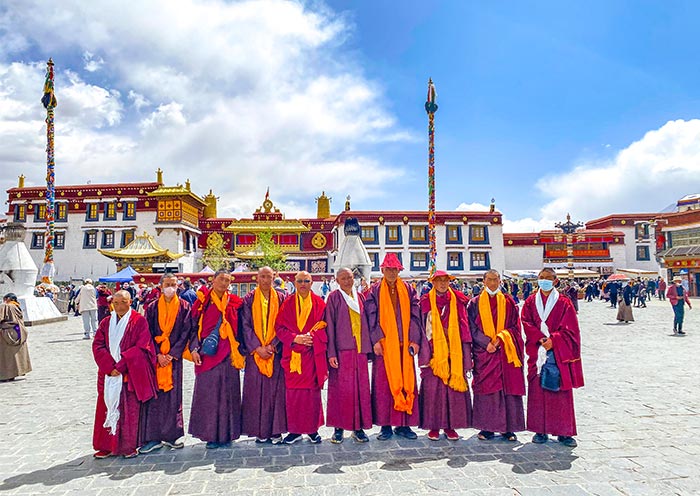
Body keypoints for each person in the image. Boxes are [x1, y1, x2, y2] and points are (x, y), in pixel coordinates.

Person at [521, 268, 584, 448]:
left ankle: (564, 432)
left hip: (557, 353)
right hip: (537, 353)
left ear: (555, 281)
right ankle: (539, 430)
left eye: (548, 278)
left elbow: (571, 329)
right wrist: (541, 339)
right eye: (541, 278)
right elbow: (525, 322)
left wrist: (554, 340)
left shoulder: (564, 303)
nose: (544, 281)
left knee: (560, 392)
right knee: (537, 391)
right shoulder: (531, 302)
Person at [92, 291, 157, 459]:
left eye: (124, 302)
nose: (120, 306)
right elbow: (98, 345)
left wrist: (121, 365)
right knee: (105, 407)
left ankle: (128, 446)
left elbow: (142, 347)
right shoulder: (106, 322)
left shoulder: (138, 321)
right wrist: (109, 366)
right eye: (116, 302)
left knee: (129, 411)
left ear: (130, 302)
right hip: (109, 375)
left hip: (129, 373)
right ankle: (105, 445)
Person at [364, 253, 422, 441]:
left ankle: (404, 425)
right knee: (383, 387)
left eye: (394, 269)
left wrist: (414, 339)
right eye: (388, 269)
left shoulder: (408, 289)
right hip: (384, 346)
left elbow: (415, 315)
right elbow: (370, 317)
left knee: (407, 383)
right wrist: (376, 340)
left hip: (404, 345)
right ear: (382, 270)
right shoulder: (374, 291)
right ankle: (385, 426)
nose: (391, 272)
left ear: (399, 270)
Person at [188, 269, 246, 449]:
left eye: (228, 280)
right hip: (208, 355)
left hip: (229, 354)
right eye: (221, 279)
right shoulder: (202, 302)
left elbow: (241, 329)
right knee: (209, 395)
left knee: (229, 394)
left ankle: (228, 434)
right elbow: (192, 327)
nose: (224, 283)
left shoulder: (235, 303)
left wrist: (242, 351)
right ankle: (210, 434)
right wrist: (193, 348)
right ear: (213, 280)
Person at [467, 269, 525, 442]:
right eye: (489, 280)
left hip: (504, 352)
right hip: (484, 354)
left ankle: (508, 428)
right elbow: (471, 328)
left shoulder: (508, 302)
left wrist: (500, 339)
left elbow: (515, 326)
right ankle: (487, 428)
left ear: (500, 281)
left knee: (507, 390)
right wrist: (487, 343)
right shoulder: (474, 303)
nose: (493, 283)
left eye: (496, 280)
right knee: (486, 391)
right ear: (483, 281)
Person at [139, 274, 193, 453]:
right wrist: (157, 354)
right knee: (154, 398)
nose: (171, 287)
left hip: (173, 360)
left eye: (174, 284)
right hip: (156, 360)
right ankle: (152, 437)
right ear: (160, 286)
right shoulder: (152, 307)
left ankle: (172, 436)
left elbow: (187, 332)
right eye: (167, 284)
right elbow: (146, 332)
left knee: (173, 398)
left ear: (178, 286)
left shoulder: (185, 307)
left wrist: (171, 354)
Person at [418, 271, 472, 441]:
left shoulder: (457, 300)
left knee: (452, 391)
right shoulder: (426, 301)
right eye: (439, 281)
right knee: (433, 390)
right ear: (433, 283)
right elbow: (421, 327)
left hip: (454, 350)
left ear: (449, 282)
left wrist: (465, 353)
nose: (442, 284)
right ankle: (433, 426)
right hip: (434, 352)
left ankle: (451, 426)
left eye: (445, 281)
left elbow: (464, 325)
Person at [276, 271, 328, 444]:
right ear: (295, 283)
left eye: (306, 280)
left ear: (312, 282)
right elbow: (280, 328)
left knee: (312, 394)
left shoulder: (319, 303)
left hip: (312, 356)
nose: (303, 284)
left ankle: (312, 430)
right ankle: (295, 430)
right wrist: (295, 338)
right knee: (293, 395)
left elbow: (324, 326)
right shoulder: (287, 304)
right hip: (293, 357)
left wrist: (312, 336)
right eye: (300, 281)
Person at [239, 266, 288, 444]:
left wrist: (274, 345)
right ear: (257, 278)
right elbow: (244, 325)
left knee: (276, 392)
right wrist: (257, 347)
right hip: (256, 354)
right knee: (255, 392)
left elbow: (285, 323)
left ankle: (276, 430)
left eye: (269, 276)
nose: (266, 280)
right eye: (262, 277)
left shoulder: (281, 298)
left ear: (274, 277)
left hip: (274, 353)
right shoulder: (249, 299)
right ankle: (259, 430)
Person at [325, 268, 373, 444]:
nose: (347, 281)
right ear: (337, 280)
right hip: (341, 352)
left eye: (350, 278)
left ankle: (357, 428)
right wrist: (331, 352)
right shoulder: (333, 298)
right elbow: (329, 326)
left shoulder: (360, 297)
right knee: (341, 391)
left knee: (360, 390)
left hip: (359, 352)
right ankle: (339, 428)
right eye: (343, 278)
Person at [0, 293, 32, 382]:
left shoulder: (5, 306)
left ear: (7, 299)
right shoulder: (17, 307)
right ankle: (14, 373)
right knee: (15, 355)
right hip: (19, 331)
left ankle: (6, 375)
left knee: (6, 355)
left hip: (7, 333)